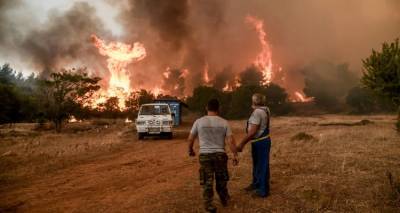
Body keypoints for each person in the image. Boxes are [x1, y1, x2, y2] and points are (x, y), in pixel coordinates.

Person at [188, 99, 238, 213]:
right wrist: (235, 155)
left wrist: (190, 150)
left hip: (205, 155)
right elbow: (230, 141)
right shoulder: (224, 122)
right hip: (220, 155)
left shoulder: (199, 122)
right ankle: (224, 198)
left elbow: (190, 138)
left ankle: (209, 204)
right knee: (221, 179)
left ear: (207, 108)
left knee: (207, 180)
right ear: (218, 109)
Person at [237, 93, 271, 198]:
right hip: (262, 140)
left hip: (260, 142)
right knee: (257, 164)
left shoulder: (257, 112)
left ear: (255, 101)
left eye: (252, 100)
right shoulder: (266, 109)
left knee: (262, 165)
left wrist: (241, 144)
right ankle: (256, 184)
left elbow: (252, 132)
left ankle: (263, 191)